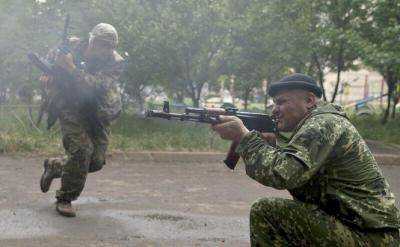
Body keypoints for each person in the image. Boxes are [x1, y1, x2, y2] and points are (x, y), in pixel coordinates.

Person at [212, 73, 400, 246]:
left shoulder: (322, 124)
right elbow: (298, 167)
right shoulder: (321, 122)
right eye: (274, 104)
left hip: (372, 236)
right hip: (360, 227)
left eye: (281, 102)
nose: (274, 110)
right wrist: (268, 145)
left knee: (266, 211)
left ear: (309, 100)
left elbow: (282, 174)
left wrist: (245, 138)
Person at [39, 23, 125, 217]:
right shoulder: (70, 46)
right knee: (81, 151)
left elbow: (96, 87)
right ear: (91, 40)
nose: (105, 50)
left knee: (95, 161)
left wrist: (70, 68)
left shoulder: (115, 62)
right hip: (69, 104)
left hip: (96, 110)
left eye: (110, 46)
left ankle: (54, 166)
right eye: (101, 44)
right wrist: (46, 76)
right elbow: (48, 64)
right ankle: (65, 198)